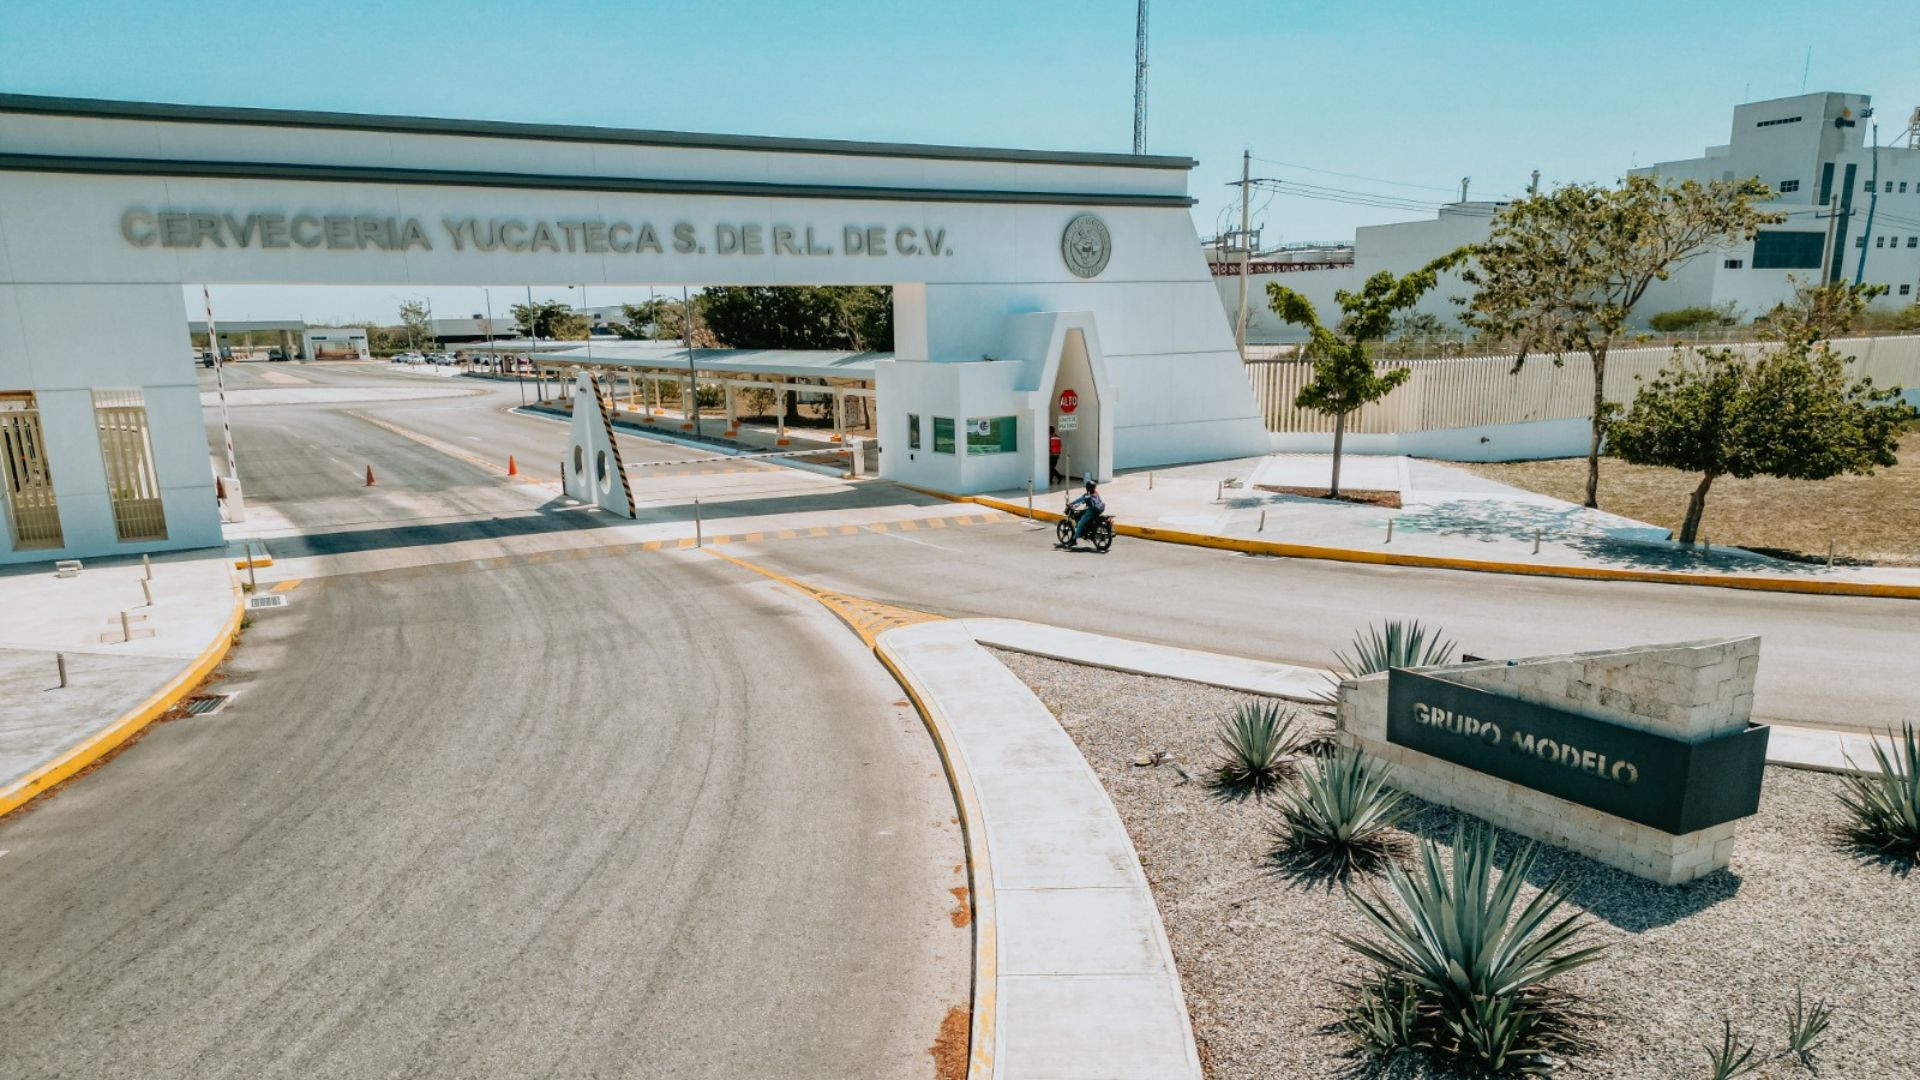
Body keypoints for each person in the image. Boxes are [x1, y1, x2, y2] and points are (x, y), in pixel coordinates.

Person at [1058, 479, 1105, 549]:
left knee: (1080, 524)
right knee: (1083, 512)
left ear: (1087, 488)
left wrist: (1071, 503)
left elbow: (1079, 500)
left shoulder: (1087, 496)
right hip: (1099, 510)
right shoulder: (1096, 493)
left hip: (1092, 512)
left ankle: (1074, 540)